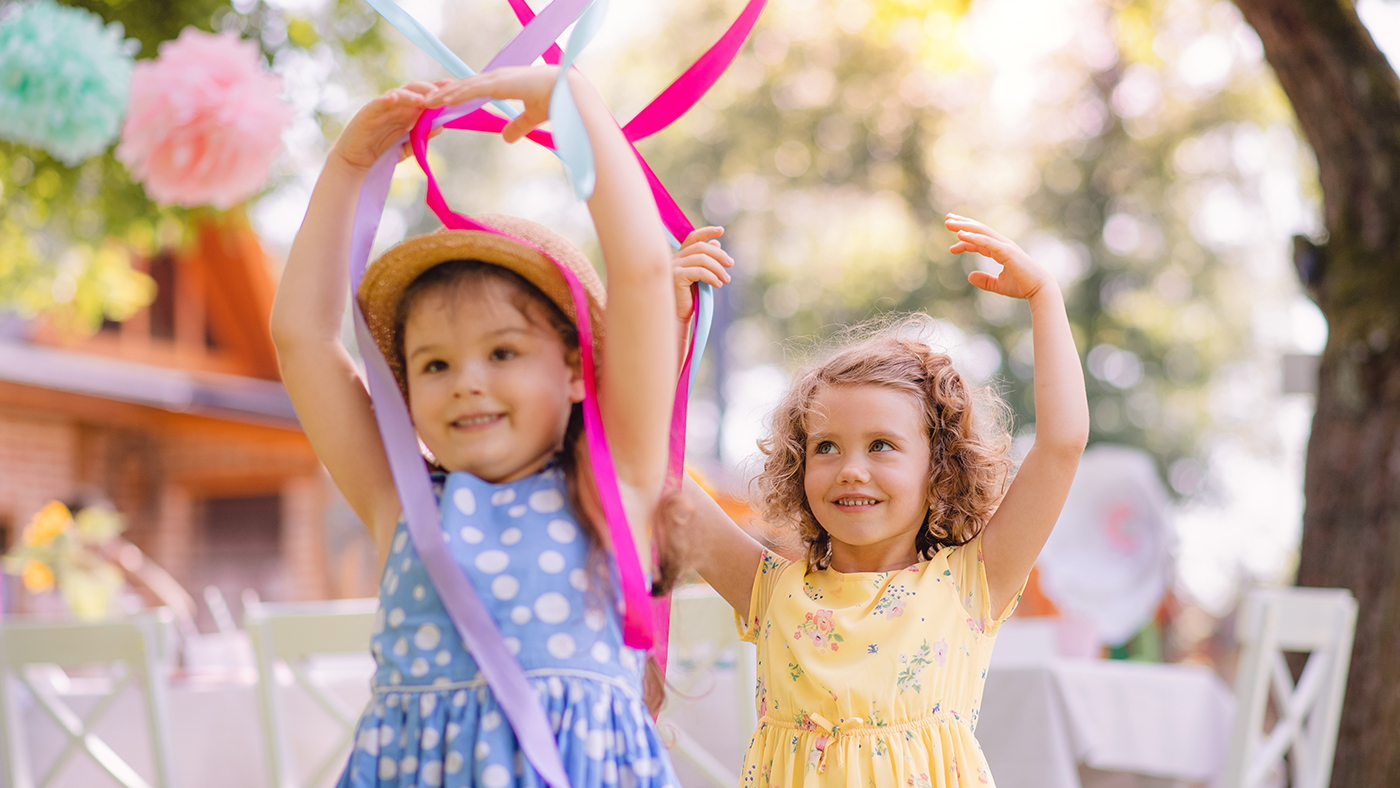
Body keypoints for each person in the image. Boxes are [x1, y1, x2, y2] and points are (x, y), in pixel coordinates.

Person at [270, 65, 689, 788]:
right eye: (433, 365)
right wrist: (348, 168)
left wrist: (574, 101)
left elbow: (645, 273)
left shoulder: (617, 482)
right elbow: (302, 338)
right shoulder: (402, 501)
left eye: (502, 352)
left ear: (573, 367)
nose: (466, 380)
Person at [682, 215, 1090, 787]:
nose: (851, 470)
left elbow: (1061, 445)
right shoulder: (769, 589)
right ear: (799, 467)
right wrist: (664, 324)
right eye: (825, 446)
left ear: (940, 468)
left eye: (881, 446)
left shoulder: (971, 582)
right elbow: (652, 466)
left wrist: (1045, 298)